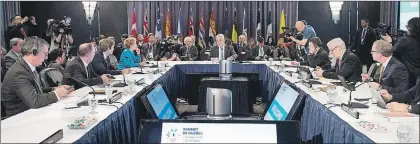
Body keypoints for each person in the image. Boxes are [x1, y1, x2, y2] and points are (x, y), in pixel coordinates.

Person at [1, 36, 73, 117]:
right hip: (19, 118)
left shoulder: (28, 67)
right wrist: (56, 94)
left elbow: (34, 90)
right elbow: (34, 101)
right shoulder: (19, 73)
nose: (46, 57)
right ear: (34, 52)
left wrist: (55, 89)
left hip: (30, 113)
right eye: (45, 54)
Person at [382, 17, 420, 87]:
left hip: (408, 75)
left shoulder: (405, 40)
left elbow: (391, 53)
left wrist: (389, 42)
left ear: (410, 28)